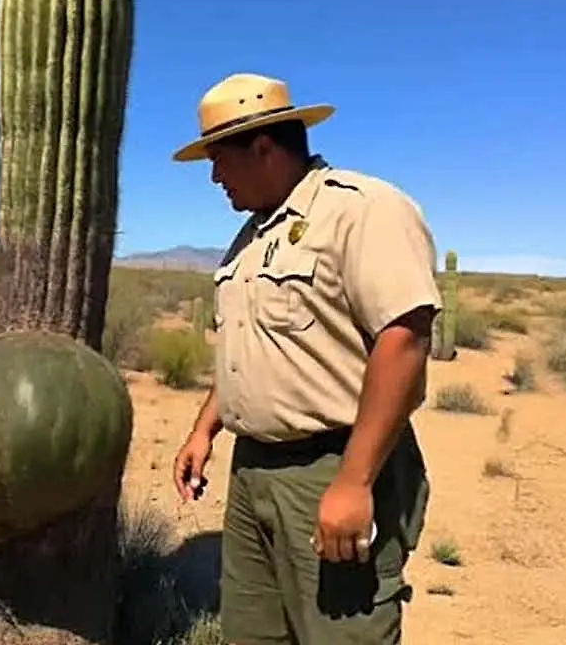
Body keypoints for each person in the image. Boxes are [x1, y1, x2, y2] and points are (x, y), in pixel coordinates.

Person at [170, 73, 442, 645]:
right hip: (252, 471)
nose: (214, 177)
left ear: (262, 147)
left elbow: (404, 340)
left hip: (331, 464)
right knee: (252, 633)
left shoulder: (361, 210)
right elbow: (253, 345)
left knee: (342, 633)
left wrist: (353, 480)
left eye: (219, 160)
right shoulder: (250, 238)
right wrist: (204, 429)